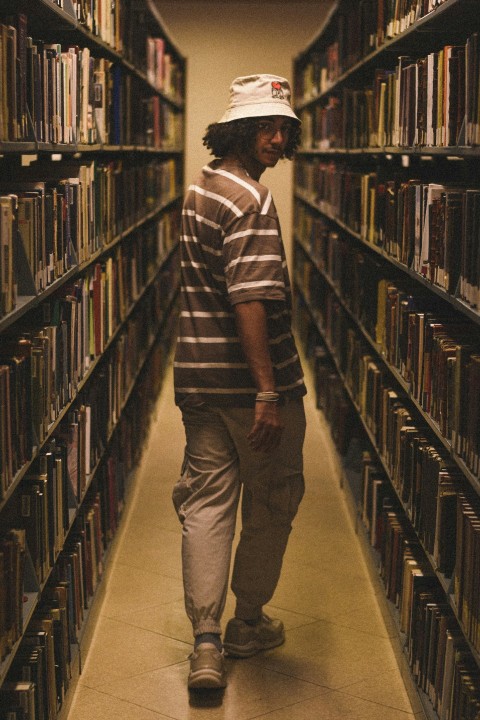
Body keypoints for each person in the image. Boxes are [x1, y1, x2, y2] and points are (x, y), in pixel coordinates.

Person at [172, 73, 307, 690]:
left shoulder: (201, 189)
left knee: (204, 503)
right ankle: (245, 624)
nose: (277, 138)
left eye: (284, 128)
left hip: (197, 378)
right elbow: (249, 299)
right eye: (265, 127)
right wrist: (267, 390)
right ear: (237, 130)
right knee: (274, 499)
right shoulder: (251, 201)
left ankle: (204, 643)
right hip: (248, 386)